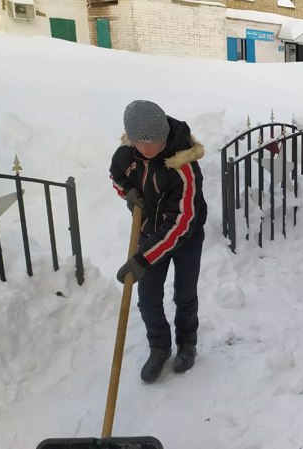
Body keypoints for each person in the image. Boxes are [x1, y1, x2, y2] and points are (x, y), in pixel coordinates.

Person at [110, 100, 207, 383]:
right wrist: (127, 191)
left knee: (184, 293)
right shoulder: (126, 156)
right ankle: (159, 346)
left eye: (156, 141)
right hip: (149, 232)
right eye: (144, 142)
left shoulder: (182, 166)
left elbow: (181, 224)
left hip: (185, 236)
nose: (151, 148)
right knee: (148, 297)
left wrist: (142, 258)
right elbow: (116, 177)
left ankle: (187, 343)